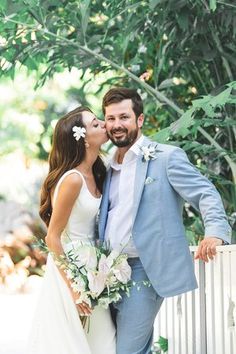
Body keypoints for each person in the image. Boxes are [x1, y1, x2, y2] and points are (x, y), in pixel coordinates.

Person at [98, 87, 232, 354]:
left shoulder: (166, 157)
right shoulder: (105, 166)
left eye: (123, 117)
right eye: (110, 119)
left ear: (140, 119)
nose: (116, 125)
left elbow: (205, 192)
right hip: (105, 272)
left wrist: (215, 232)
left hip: (145, 268)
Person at [26, 107, 116, 354]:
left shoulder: (98, 172)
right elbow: (52, 236)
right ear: (84, 138)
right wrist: (74, 289)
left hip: (93, 267)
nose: (104, 125)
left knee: (105, 343)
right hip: (72, 269)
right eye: (95, 124)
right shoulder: (73, 179)